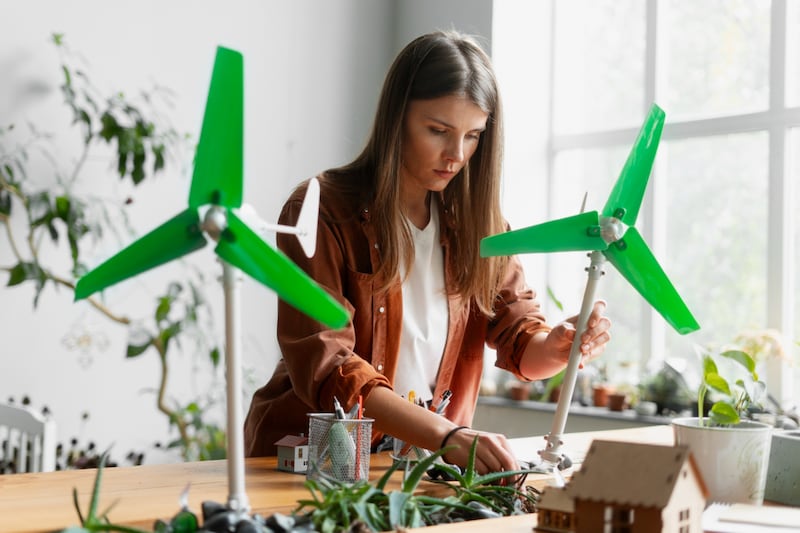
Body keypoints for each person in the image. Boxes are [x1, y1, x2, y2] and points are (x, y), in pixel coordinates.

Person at [243, 30, 611, 476]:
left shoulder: (479, 226)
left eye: (473, 135)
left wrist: (557, 346)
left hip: (421, 468)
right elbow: (328, 366)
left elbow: (520, 339)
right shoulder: (322, 210)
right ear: (397, 118)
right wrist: (446, 435)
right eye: (438, 130)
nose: (456, 154)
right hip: (317, 463)